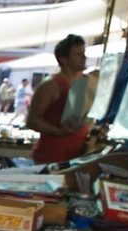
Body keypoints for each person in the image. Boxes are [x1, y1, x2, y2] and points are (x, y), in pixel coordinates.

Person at [27, 34, 89, 164]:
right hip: (52, 156)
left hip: (78, 155)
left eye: (83, 53)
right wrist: (60, 132)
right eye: (78, 55)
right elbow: (32, 121)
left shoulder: (87, 82)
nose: (84, 58)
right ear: (63, 59)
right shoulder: (50, 85)